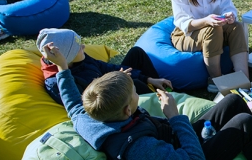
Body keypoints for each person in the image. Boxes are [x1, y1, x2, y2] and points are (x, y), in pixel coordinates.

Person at [40, 42, 252, 160]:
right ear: (128, 110)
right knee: (243, 122)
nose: (139, 94)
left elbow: (73, 104)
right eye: (135, 94)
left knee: (232, 103)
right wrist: (175, 117)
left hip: (170, 142)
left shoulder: (89, 118)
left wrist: (61, 66)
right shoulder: (137, 147)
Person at [170, 0, 249, 94]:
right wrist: (207, 21)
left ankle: (243, 77)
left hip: (214, 30)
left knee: (237, 27)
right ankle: (216, 80)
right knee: (213, 29)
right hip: (186, 34)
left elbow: (228, 7)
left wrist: (229, 15)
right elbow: (182, 22)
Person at [36, 28, 170, 105]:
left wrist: (148, 78)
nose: (83, 47)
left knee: (137, 53)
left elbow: (103, 66)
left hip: (110, 81)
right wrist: (117, 81)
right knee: (134, 83)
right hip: (108, 101)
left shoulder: (78, 59)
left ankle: (164, 91)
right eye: (78, 47)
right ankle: (162, 104)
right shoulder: (57, 83)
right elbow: (89, 105)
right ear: (67, 56)